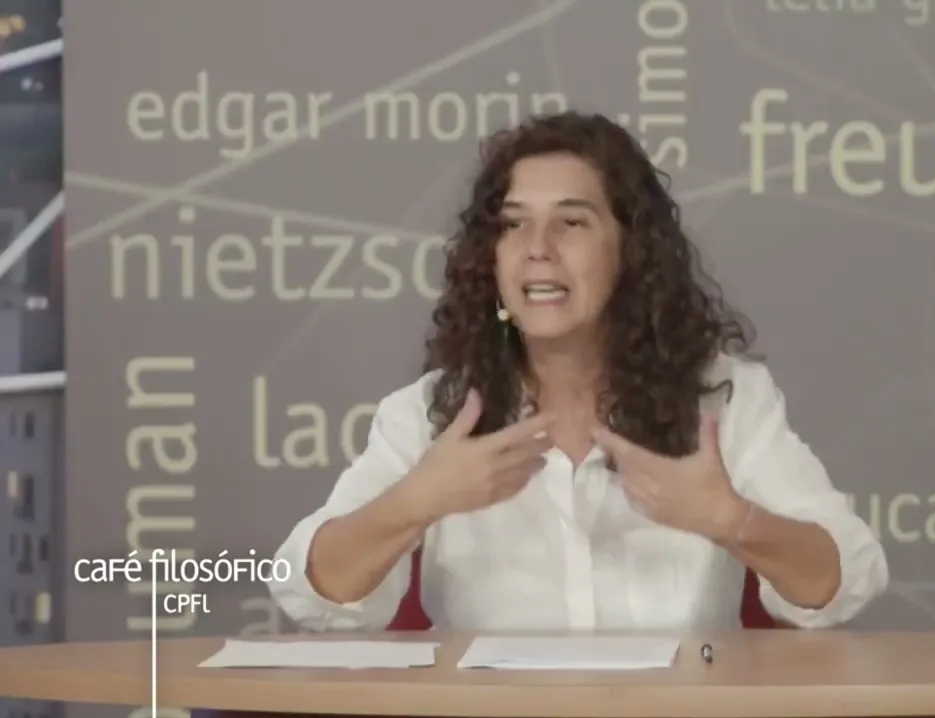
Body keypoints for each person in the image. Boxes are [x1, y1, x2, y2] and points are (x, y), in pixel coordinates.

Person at [267, 111, 888, 632]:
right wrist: (414, 502)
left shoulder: (724, 399)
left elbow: (844, 580)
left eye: (571, 222)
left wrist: (733, 521)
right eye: (513, 224)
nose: (537, 247)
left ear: (631, 252)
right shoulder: (433, 413)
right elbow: (310, 590)